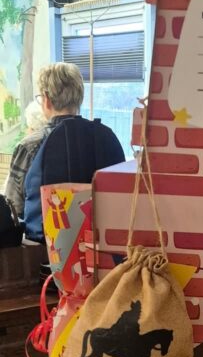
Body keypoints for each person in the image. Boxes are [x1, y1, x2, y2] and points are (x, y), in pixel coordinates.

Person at [5, 62, 125, 242]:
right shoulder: (107, 138)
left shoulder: (30, 146)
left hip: (45, 251)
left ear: (46, 99)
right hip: (102, 246)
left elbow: (13, 210)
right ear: (79, 98)